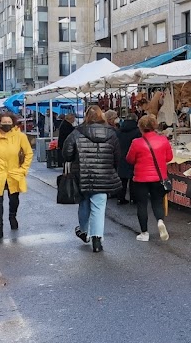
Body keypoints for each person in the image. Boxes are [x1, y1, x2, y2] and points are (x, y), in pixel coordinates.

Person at [62, 106, 121, 254]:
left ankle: (83, 231)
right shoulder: (111, 133)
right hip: (104, 175)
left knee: (84, 204)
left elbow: (66, 154)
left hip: (82, 175)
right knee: (99, 208)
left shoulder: (77, 132)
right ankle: (96, 240)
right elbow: (117, 156)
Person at [0, 112, 32, 240]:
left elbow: (28, 153)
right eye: (4, 122)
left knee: (14, 198)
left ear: (13, 123)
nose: (7, 125)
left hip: (15, 173)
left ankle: (12, 215)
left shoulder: (20, 136)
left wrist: (23, 170)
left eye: (9, 123)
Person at [126, 113, 173, 243]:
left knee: (141, 205)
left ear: (140, 127)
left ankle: (144, 233)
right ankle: (160, 221)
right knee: (157, 202)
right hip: (159, 177)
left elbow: (129, 159)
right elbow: (169, 158)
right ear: (155, 126)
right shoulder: (163, 140)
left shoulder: (136, 143)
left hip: (140, 179)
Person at [115, 111, 141, 205]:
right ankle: (133, 198)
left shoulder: (119, 131)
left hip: (121, 156)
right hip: (134, 157)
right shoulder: (138, 132)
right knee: (133, 179)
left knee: (122, 179)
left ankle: (120, 198)